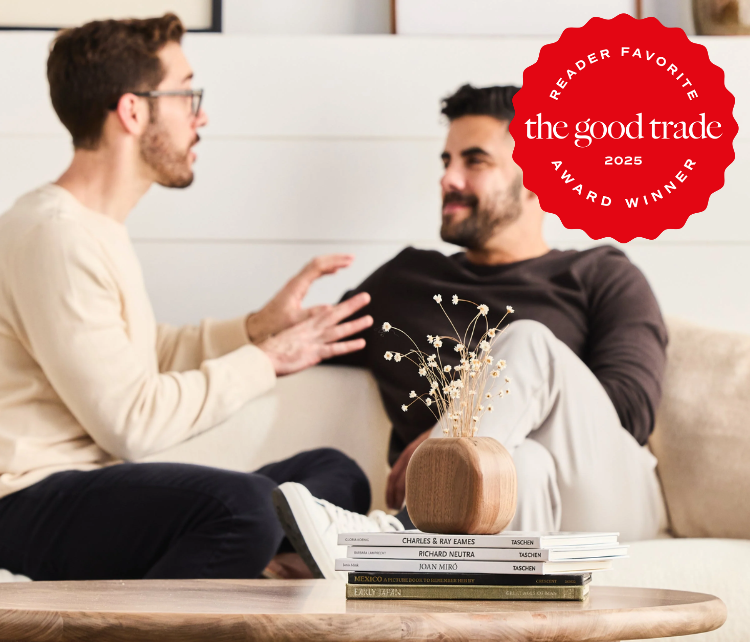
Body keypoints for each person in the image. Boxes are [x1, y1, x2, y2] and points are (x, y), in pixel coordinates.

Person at [0, 13, 403, 582]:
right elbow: (131, 424)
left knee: (335, 476)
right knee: (245, 509)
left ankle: (258, 569)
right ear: (133, 110)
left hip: (83, 491)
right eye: (187, 94)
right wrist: (267, 361)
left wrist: (258, 327)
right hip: (27, 502)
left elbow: (142, 354)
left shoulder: (92, 228)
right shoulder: (54, 234)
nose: (201, 114)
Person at [278, 82, 670, 577]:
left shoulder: (601, 274)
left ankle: (407, 534)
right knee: (516, 468)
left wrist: (451, 434)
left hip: (606, 496)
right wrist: (263, 328)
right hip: (504, 506)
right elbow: (306, 347)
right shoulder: (405, 280)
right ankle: (494, 637)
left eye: (475, 160)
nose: (448, 178)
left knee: (527, 341)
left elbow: (630, 413)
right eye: (446, 162)